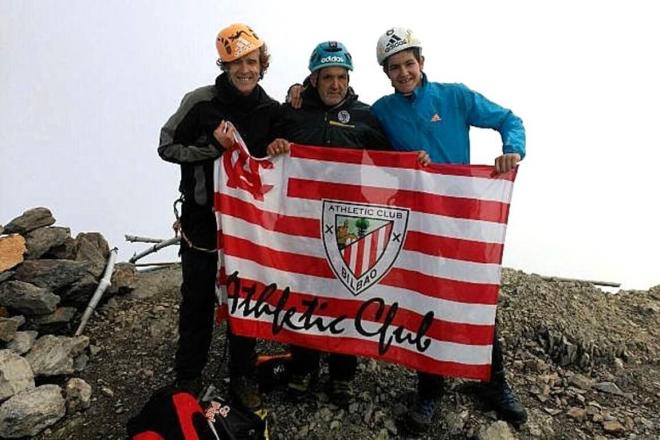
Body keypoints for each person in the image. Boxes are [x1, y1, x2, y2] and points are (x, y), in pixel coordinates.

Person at [371, 27, 527, 433]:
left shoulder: (455, 95)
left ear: (421, 62)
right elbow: (355, 136)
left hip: (464, 217)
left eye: (409, 63)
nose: (403, 72)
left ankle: (494, 384)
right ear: (386, 73)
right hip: (418, 220)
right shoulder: (383, 110)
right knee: (424, 298)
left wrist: (513, 149)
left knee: (475, 296)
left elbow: (509, 119)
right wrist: (301, 90)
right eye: (394, 67)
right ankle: (430, 391)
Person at [267, 41, 427, 407]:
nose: (335, 84)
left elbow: (390, 161)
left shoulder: (364, 115)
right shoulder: (290, 112)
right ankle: (303, 367)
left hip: (350, 222)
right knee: (302, 294)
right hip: (301, 222)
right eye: (328, 77)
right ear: (313, 79)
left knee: (345, 296)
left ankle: (342, 375)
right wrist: (273, 144)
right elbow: (263, 150)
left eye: (341, 77)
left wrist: (414, 161)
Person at [158, 23, 283, 411]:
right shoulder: (200, 102)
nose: (244, 70)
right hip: (202, 220)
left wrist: (280, 145)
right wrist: (211, 146)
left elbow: (285, 154)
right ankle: (188, 376)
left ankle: (243, 374)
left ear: (262, 64)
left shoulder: (272, 110)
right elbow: (166, 146)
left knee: (245, 298)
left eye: (250, 61)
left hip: (247, 224)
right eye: (235, 63)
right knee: (196, 297)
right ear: (224, 65)